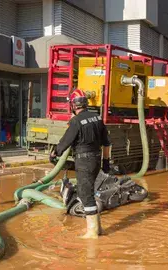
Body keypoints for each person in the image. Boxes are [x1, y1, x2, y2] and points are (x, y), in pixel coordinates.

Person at [51, 89, 111, 239]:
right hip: (96, 160)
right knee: (90, 192)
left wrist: (54, 153)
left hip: (84, 161)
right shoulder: (97, 118)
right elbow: (107, 143)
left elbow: (66, 141)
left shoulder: (76, 122)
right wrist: (106, 163)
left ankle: (92, 232)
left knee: (85, 195)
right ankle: (98, 229)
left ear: (73, 105)